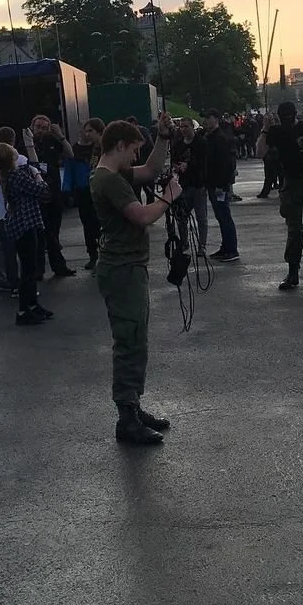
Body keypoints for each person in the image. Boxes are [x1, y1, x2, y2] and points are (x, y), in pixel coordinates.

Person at [90, 114, 182, 445]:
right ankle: (126, 417)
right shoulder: (109, 181)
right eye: (133, 150)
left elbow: (150, 171)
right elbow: (142, 216)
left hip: (127, 268)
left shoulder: (111, 173)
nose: (135, 158)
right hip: (122, 270)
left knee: (136, 339)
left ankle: (133, 405)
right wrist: (169, 196)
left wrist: (162, 137)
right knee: (129, 342)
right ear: (119, 145)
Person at [257, 101, 303, 290]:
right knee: (294, 230)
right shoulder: (276, 132)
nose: (287, 120)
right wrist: (265, 129)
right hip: (291, 182)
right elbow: (260, 152)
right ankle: (293, 273)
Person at [0, 142, 53, 326]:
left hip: (21, 224)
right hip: (25, 225)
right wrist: (37, 175)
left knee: (30, 266)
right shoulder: (17, 176)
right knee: (29, 268)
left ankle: (33, 305)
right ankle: (24, 309)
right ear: (12, 159)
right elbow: (42, 192)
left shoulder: (7, 175)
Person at [30, 114, 76, 279]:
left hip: (53, 192)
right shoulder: (27, 144)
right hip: (36, 195)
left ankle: (59, 266)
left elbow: (70, 154)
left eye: (44, 127)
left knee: (53, 232)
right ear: (32, 127)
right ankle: (38, 269)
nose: (41, 131)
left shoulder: (52, 141)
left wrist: (60, 136)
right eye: (38, 127)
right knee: (39, 235)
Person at [0, 126, 29, 293]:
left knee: (7, 250)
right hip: (22, 213)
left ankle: (12, 283)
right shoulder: (22, 159)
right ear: (14, 140)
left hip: (2, 214)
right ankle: (27, 282)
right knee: (25, 251)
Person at [202, 109, 239, 261]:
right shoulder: (210, 137)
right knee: (221, 215)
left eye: (208, 118)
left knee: (224, 215)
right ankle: (226, 247)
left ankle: (231, 249)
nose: (206, 121)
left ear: (216, 119)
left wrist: (221, 184)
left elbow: (225, 164)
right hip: (213, 183)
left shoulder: (219, 138)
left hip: (219, 185)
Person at [69, 118, 105, 270]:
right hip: (84, 191)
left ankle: (103, 253)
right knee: (87, 224)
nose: (87, 134)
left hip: (99, 191)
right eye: (86, 130)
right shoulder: (78, 148)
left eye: (91, 131)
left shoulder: (103, 148)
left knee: (101, 223)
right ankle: (92, 254)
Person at [170, 115, 209, 255]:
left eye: (186, 126)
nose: (183, 129)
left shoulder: (201, 142)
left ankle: (202, 245)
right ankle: (184, 241)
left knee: (201, 217)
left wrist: (189, 165)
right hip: (183, 185)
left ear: (192, 127)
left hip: (198, 184)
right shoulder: (178, 143)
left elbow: (204, 162)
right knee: (181, 217)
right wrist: (176, 166)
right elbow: (173, 158)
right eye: (181, 126)